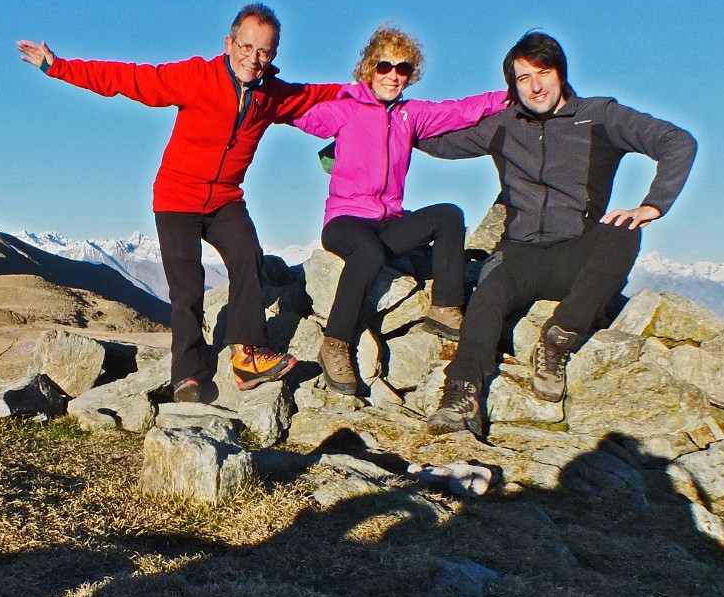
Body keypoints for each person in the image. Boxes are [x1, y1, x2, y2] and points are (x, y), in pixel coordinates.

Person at [16, 4, 342, 403]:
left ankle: (248, 355)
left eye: (265, 52)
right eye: (246, 46)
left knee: (247, 254)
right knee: (186, 290)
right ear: (229, 43)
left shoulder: (270, 95)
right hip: (177, 198)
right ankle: (187, 376)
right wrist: (58, 66)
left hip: (224, 198)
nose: (253, 58)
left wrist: (369, 90)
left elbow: (315, 95)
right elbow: (129, 79)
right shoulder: (196, 77)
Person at [417, 31, 697, 435]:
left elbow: (677, 141)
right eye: (523, 78)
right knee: (485, 300)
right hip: (519, 253)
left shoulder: (601, 116)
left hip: (577, 251)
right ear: (512, 86)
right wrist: (382, 122)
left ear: (560, 73)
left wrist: (653, 204)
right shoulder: (504, 125)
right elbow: (437, 141)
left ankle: (559, 338)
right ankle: (461, 394)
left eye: (543, 73)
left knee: (624, 232)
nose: (535, 86)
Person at [291, 24, 508, 395]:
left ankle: (445, 307)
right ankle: (336, 342)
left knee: (449, 215)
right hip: (345, 220)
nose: (393, 75)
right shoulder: (345, 109)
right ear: (369, 68)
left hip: (389, 219)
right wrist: (263, 94)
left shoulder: (410, 115)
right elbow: (297, 112)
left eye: (402, 68)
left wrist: (510, 96)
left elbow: (460, 111)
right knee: (368, 252)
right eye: (385, 66)